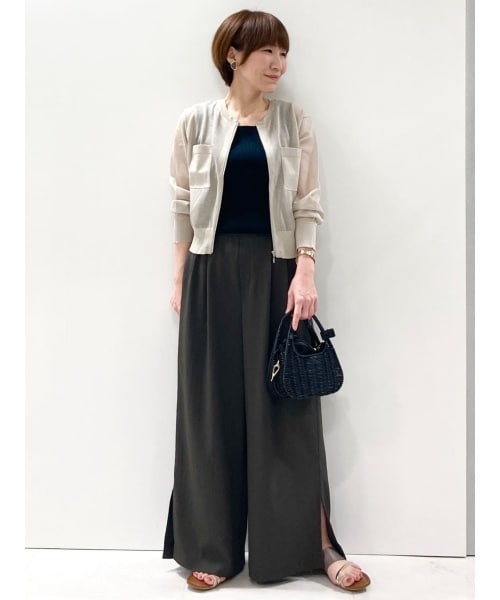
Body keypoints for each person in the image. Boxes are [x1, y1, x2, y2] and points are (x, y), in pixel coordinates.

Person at [162, 9, 371, 593]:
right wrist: (179, 278)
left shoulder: (293, 122)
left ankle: (319, 547)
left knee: (288, 412)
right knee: (210, 412)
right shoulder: (195, 123)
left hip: (277, 272)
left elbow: (308, 202)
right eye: (267, 52)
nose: (279, 63)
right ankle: (213, 548)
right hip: (209, 273)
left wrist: (305, 269)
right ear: (234, 55)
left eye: (284, 53)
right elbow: (181, 205)